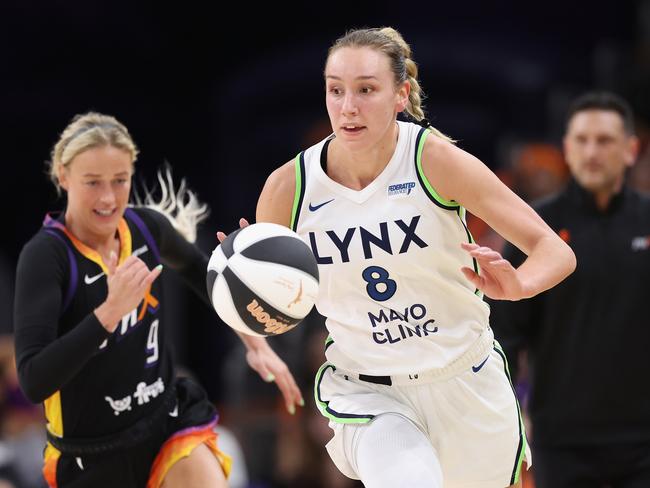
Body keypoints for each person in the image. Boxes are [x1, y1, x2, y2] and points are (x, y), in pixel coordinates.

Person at [246, 27, 576, 488]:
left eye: (366, 90)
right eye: (335, 90)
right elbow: (267, 308)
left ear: (401, 95)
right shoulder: (288, 189)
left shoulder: (435, 160)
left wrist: (519, 285)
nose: (348, 106)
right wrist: (247, 282)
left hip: (464, 379)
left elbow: (554, 251)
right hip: (370, 390)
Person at [13, 112, 303, 488]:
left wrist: (254, 342)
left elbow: (205, 276)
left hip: (165, 422)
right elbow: (34, 380)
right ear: (63, 176)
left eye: (120, 181)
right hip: (89, 455)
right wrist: (109, 313)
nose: (107, 197)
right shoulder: (47, 256)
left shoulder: (146, 228)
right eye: (92, 182)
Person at [490, 91, 650, 487]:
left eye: (605, 140)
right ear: (566, 148)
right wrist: (504, 417)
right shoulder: (535, 227)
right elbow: (505, 334)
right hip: (560, 440)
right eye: (581, 140)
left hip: (644, 438)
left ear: (631, 149)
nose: (591, 151)